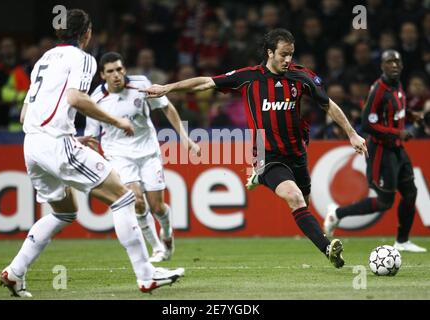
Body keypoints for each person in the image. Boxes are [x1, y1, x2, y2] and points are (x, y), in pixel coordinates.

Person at [141, 28, 368, 268]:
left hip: (297, 153)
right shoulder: (248, 77)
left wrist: (352, 134)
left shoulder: (301, 77)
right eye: (283, 54)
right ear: (270, 52)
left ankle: (258, 178)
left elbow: (328, 105)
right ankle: (328, 249)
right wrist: (168, 87)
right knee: (295, 197)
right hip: (266, 154)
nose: (288, 60)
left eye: (291, 54)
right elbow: (206, 83)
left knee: (305, 202)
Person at [0, 9, 184, 298]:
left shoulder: (42, 61)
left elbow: (25, 114)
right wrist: (116, 120)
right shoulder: (82, 58)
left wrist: (70, 132)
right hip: (56, 143)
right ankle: (147, 276)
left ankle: (15, 271)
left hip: (32, 146)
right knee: (123, 197)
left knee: (65, 212)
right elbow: (76, 98)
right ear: (87, 33)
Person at [84, 52, 200, 262]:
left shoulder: (141, 85)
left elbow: (167, 107)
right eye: (110, 71)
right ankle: (157, 248)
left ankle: (167, 233)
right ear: (103, 75)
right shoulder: (95, 100)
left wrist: (184, 137)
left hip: (148, 152)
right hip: (119, 154)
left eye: (119, 69)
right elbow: (92, 137)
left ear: (124, 69)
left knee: (157, 207)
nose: (116, 75)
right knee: (137, 201)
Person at [324, 50, 427, 253]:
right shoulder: (378, 90)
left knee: (410, 193)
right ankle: (337, 213)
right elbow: (367, 124)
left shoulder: (397, 85)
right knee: (384, 202)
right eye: (390, 62)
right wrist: (397, 132)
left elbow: (392, 113)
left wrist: (411, 116)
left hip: (397, 149)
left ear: (402, 65)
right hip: (381, 150)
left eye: (397, 61)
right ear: (382, 66)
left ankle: (402, 241)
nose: (394, 65)